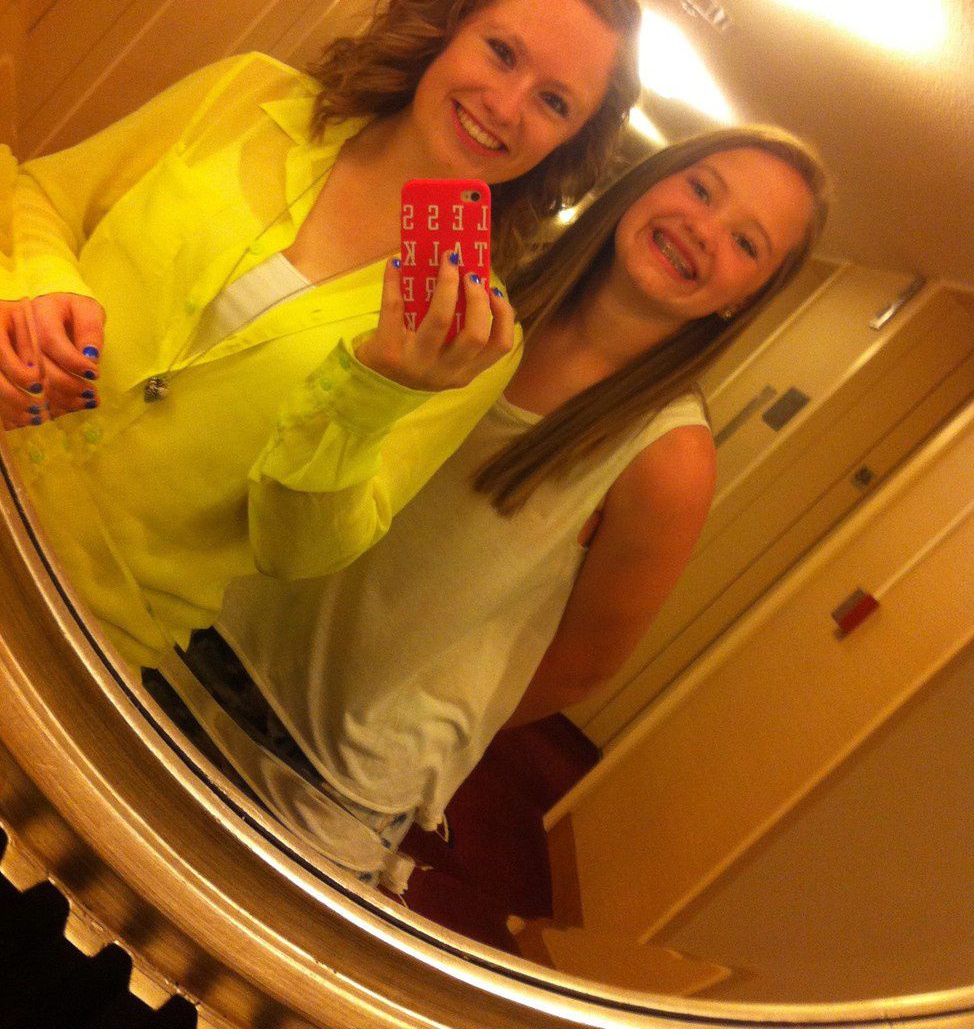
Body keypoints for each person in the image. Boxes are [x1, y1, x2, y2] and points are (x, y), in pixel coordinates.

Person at [155, 125, 830, 892]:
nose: (704, 229)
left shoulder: (669, 458)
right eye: (702, 189)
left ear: (744, 300)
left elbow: (579, 668)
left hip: (325, 782)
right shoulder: (477, 283)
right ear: (652, 181)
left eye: (745, 243)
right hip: (203, 635)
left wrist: (414, 705)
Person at [0, 0, 641, 668]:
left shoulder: (473, 341)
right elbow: (41, 195)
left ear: (570, 143)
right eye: (501, 52)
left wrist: (377, 393)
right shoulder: (246, 95)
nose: (506, 105)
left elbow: (294, 552)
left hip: (86, 634)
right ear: (450, 27)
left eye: (554, 102)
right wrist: (36, 287)